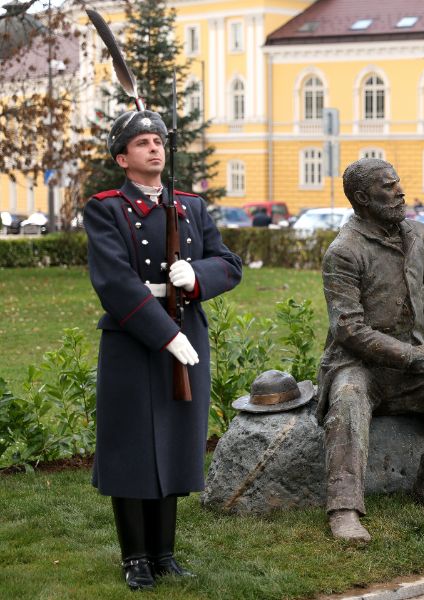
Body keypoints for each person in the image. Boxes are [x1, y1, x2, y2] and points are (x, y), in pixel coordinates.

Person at [83, 109, 243, 590]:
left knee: (173, 441)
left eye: (158, 140)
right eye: (142, 143)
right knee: (131, 445)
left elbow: (229, 263)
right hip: (136, 337)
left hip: (185, 328)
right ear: (122, 158)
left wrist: (197, 277)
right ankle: (135, 557)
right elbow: (113, 281)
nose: (155, 148)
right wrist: (165, 335)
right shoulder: (106, 207)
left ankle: (164, 553)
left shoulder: (190, 205)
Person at [318, 158, 424, 543]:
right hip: (358, 364)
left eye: (398, 182)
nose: (400, 191)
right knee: (349, 398)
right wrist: (408, 356)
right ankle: (344, 509)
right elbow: (348, 328)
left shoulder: (419, 235)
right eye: (388, 187)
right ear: (362, 198)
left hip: (412, 364)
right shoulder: (344, 251)